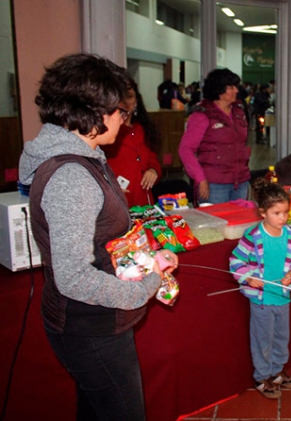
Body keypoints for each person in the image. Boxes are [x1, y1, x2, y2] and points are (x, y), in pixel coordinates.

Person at [18, 53, 178, 420]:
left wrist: (147, 256)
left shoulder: (88, 156)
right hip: (90, 325)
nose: (124, 119)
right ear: (94, 112)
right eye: (119, 110)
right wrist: (145, 287)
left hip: (96, 319)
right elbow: (74, 276)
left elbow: (105, 237)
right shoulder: (72, 176)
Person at [229, 179, 291, 399]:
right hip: (262, 301)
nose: (283, 218)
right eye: (277, 213)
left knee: (281, 337)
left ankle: (277, 371)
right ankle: (262, 376)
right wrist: (249, 277)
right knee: (263, 339)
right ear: (263, 212)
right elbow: (235, 261)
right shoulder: (252, 236)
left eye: (285, 213)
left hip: (283, 298)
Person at [179, 68, 250, 204]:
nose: (236, 90)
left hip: (240, 180)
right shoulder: (202, 115)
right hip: (214, 184)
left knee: (239, 223)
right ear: (219, 90)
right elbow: (185, 149)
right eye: (231, 87)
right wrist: (199, 178)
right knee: (216, 224)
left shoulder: (238, 111)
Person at [102, 78, 162, 207]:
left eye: (129, 96)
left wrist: (153, 170)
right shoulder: (107, 133)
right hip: (118, 200)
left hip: (144, 200)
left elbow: (152, 159)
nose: (125, 102)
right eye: (121, 97)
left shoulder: (144, 128)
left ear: (136, 101)